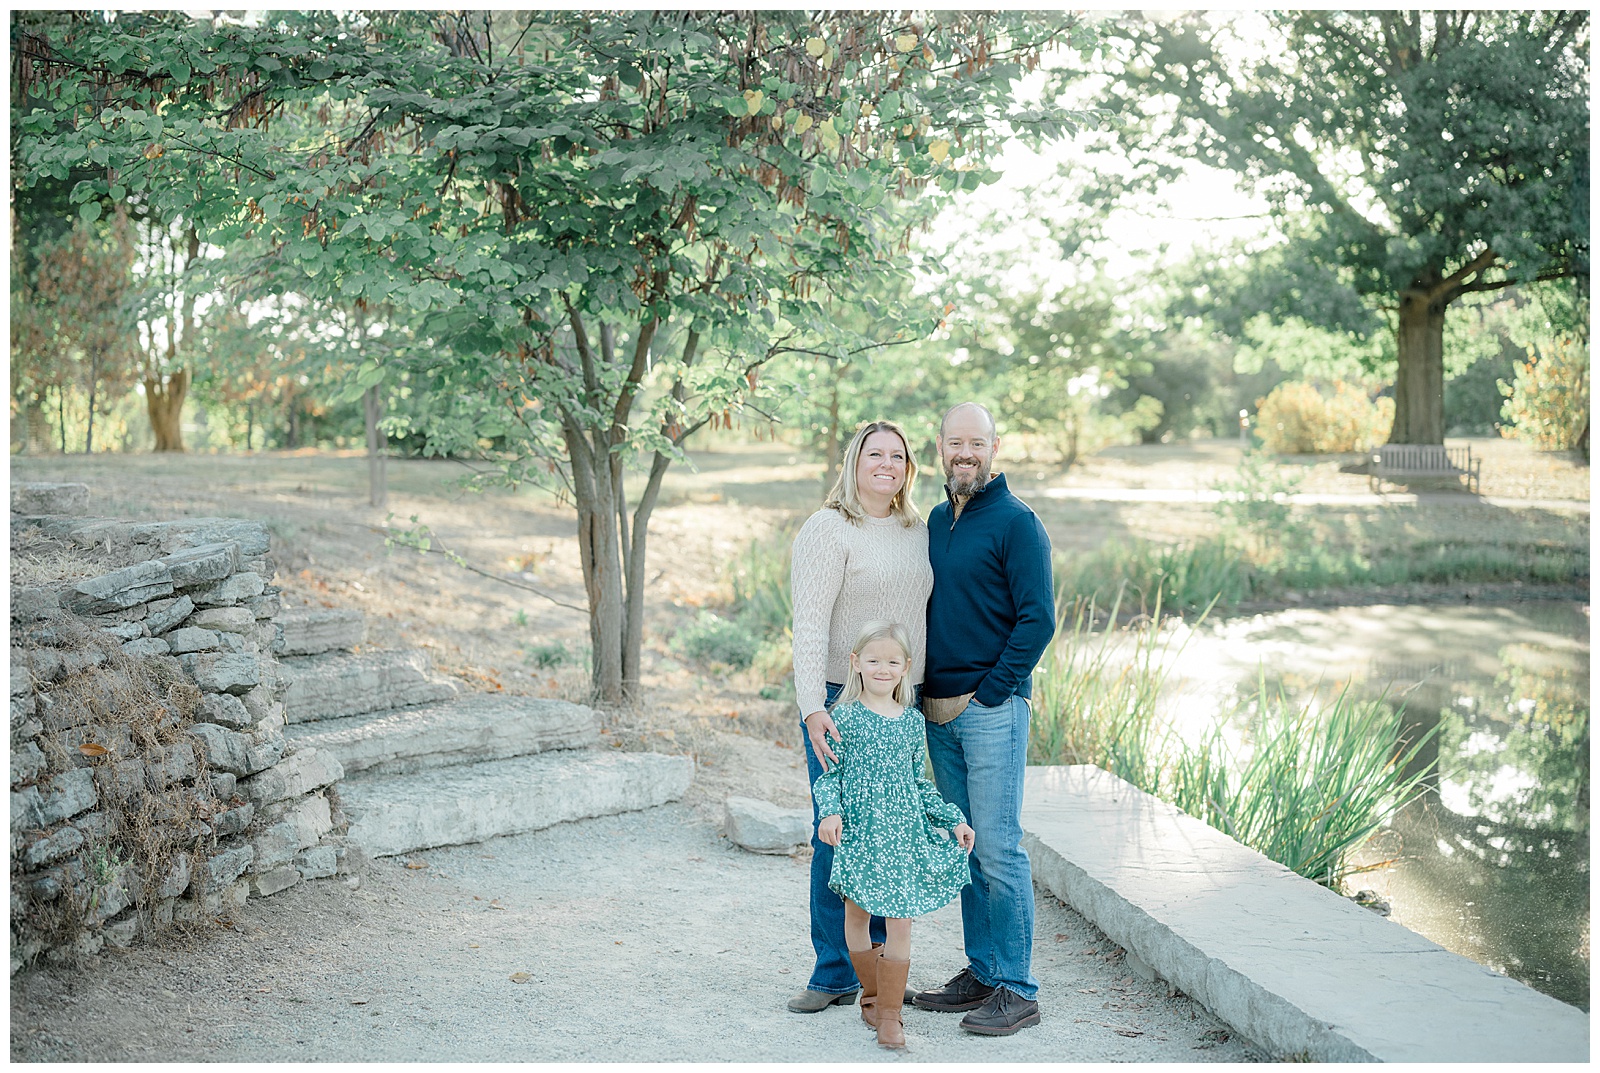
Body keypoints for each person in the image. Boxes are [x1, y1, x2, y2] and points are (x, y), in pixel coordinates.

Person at [912, 401, 1055, 1036]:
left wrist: (992, 693)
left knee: (998, 848)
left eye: (977, 443)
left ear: (994, 448)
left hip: (990, 709)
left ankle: (1018, 990)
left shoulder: (1018, 523)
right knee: (965, 846)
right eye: (955, 442)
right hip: (937, 712)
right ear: (940, 447)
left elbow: (1039, 619)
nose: (965, 453)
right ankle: (983, 971)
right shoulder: (937, 519)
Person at [788, 420, 934, 1014]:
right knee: (839, 831)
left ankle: (877, 977)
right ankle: (833, 972)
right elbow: (809, 624)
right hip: (840, 699)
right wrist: (812, 707)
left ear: (908, 468)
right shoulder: (828, 528)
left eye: (897, 456)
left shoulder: (919, 531)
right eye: (875, 454)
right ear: (854, 462)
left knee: (890, 834)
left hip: (901, 701)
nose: (886, 464)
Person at [812, 620, 976, 1049]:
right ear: (856, 663)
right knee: (857, 916)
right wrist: (830, 813)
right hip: (860, 831)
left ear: (905, 667)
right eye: (873, 661)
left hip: (902, 835)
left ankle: (889, 1016)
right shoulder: (844, 717)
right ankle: (871, 995)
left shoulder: (911, 722)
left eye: (891, 662)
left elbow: (920, 783)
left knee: (900, 922)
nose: (882, 669)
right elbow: (832, 776)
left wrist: (952, 819)